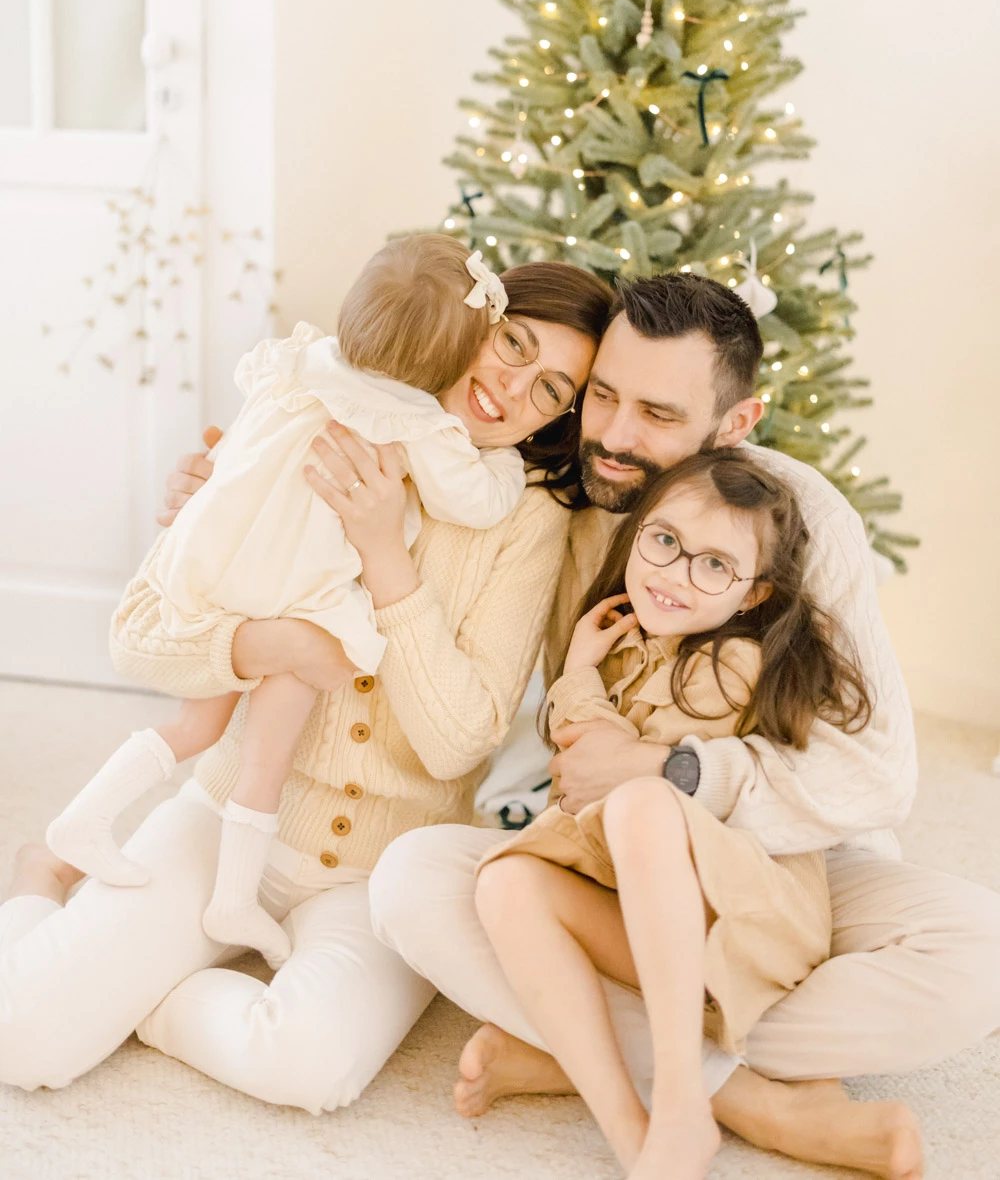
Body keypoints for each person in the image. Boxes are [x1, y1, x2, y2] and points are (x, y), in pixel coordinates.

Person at [366, 273, 1000, 1179]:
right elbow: (405, 458)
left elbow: (876, 777)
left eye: (658, 415)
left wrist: (672, 772)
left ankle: (572, 1052)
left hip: (774, 860)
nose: (617, 436)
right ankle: (747, 1098)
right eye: (605, 396)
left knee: (986, 957)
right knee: (414, 884)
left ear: (735, 426)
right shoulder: (557, 491)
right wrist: (251, 487)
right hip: (611, 870)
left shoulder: (797, 522)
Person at [0, 259, 607, 1112]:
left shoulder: (526, 519)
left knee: (309, 1067)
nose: (511, 386)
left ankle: (147, 997)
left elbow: (459, 740)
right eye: (513, 343)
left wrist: (384, 557)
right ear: (475, 319)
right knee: (21, 1037)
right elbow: (141, 633)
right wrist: (261, 639)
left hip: (383, 869)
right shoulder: (306, 415)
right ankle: (43, 878)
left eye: (551, 390)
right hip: (229, 813)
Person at [45, 236, 534, 968]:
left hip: (220, 563)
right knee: (265, 756)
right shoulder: (415, 424)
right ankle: (234, 896)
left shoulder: (298, 362)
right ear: (454, 364)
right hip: (297, 600)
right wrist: (508, 465)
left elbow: (245, 416)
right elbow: (478, 501)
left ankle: (83, 820)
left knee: (194, 725)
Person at [474, 447, 919, 1180]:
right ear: (640, 531)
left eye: (714, 565)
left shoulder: (730, 666)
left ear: (751, 595)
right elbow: (575, 773)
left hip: (745, 917)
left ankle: (684, 1096)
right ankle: (636, 1139)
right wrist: (592, 669)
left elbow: (608, 767)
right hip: (656, 916)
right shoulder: (632, 646)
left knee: (648, 799)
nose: (676, 573)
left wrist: (579, 677)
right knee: (502, 884)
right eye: (665, 541)